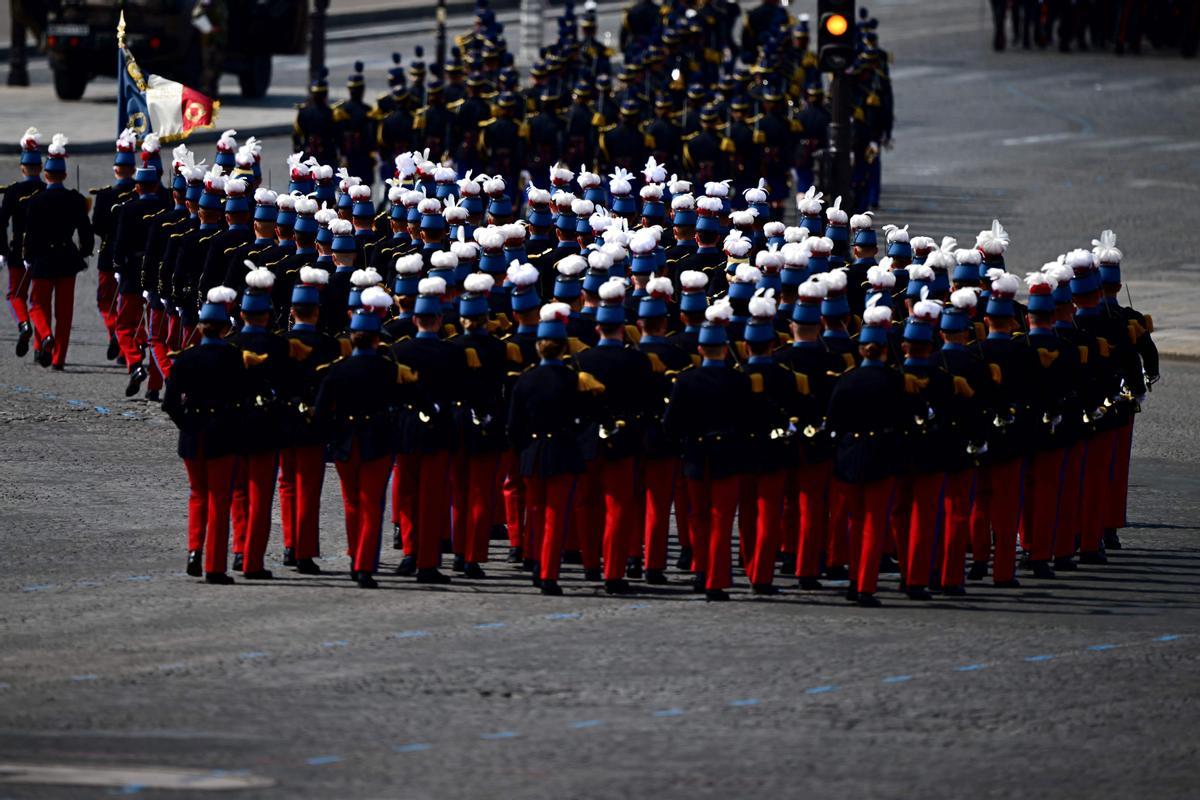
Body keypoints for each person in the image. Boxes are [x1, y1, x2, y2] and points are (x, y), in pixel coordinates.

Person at [314, 288, 412, 589]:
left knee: (351, 501)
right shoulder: (390, 369)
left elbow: (321, 412)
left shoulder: (336, 370)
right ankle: (364, 565)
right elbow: (402, 403)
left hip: (345, 439)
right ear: (375, 338)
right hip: (378, 440)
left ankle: (355, 552)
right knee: (371, 504)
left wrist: (331, 437)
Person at [506, 302, 598, 595]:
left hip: (531, 451)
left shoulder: (526, 379)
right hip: (562, 449)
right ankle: (547, 573)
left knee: (534, 511)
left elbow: (514, 425)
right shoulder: (575, 379)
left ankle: (534, 560)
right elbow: (584, 418)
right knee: (555, 516)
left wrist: (524, 449)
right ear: (563, 347)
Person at [663, 300, 753, 601]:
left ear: (701, 350)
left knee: (697, 517)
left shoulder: (686, 379)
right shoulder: (738, 380)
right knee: (722, 519)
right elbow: (746, 419)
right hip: (728, 454)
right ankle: (715, 577)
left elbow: (672, 423)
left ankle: (701, 570)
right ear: (725, 350)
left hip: (695, 455)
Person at [161, 286, 246, 584]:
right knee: (220, 499)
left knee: (197, 495)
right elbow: (242, 398)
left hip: (192, 433)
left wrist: (187, 424)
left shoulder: (185, 359)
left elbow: (169, 403)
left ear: (200, 327)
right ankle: (214, 566)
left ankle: (194, 551)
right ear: (225, 328)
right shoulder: (234, 358)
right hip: (222, 433)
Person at [23, 134, 94, 370]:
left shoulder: (36, 201)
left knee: (37, 306)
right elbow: (86, 231)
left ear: (46, 175)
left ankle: (44, 336)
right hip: (66, 258)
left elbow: (29, 234)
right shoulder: (75, 199)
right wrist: (85, 251)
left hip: (43, 258)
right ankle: (59, 359)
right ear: (63, 175)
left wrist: (27, 257)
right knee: (64, 314)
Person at [2, 127, 44, 358]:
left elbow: (1, 223)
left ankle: (23, 324)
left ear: (22, 168)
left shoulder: (13, 191)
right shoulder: (46, 190)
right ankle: (40, 343)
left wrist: (1, 250)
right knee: (39, 301)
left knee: (15, 295)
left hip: (18, 249)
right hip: (42, 252)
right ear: (40, 168)